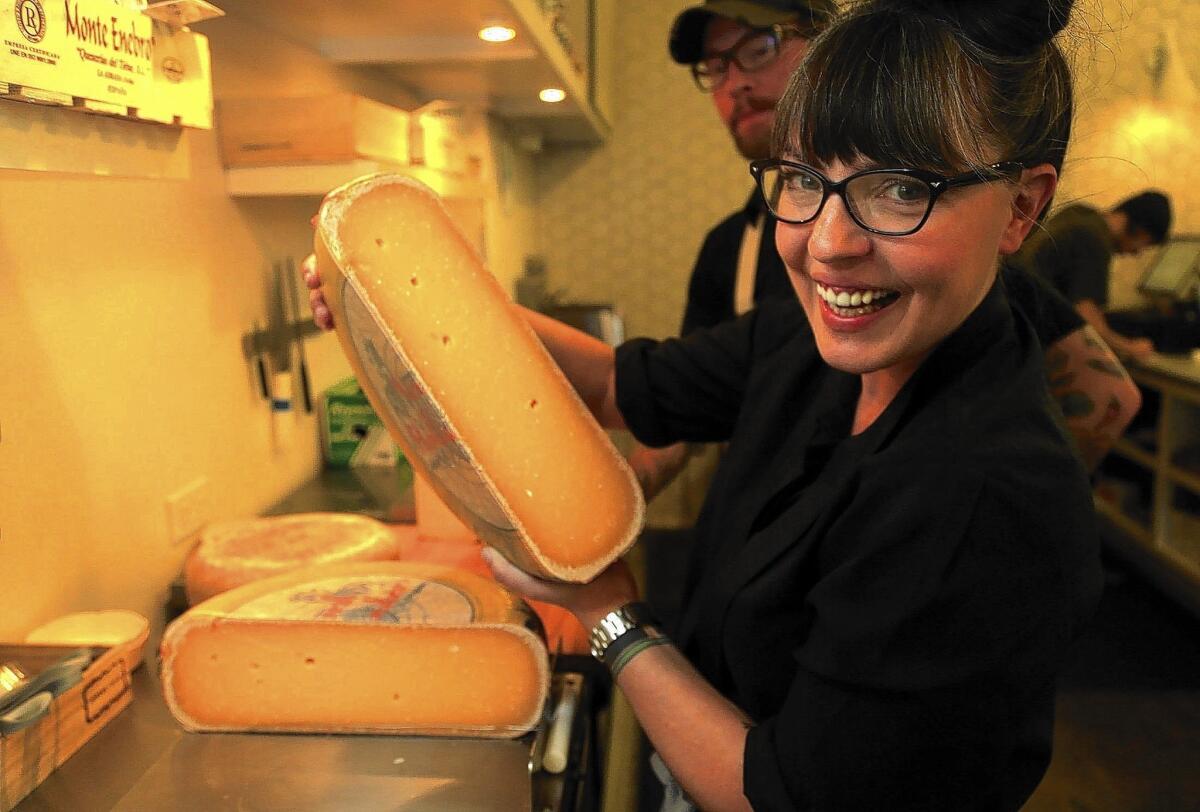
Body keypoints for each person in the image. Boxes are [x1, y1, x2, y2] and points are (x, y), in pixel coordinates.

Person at [303, 0, 1102, 805]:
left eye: (899, 188)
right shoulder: (816, 343)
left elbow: (778, 795)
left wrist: (606, 610)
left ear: (1024, 207)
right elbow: (624, 383)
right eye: (802, 180)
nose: (827, 243)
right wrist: (408, 298)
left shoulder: (982, 497)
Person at [627, 0, 1141, 492]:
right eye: (715, 67)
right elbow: (678, 393)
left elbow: (1104, 394)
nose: (735, 82)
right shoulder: (731, 244)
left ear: (825, 43)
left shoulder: (969, 261)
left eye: (759, 47)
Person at [1010, 190, 1173, 360]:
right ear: (1141, 230)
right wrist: (1131, 348)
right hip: (1020, 341)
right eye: (1146, 244)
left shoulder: (1078, 214)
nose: (1137, 252)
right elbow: (1086, 318)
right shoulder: (1093, 239)